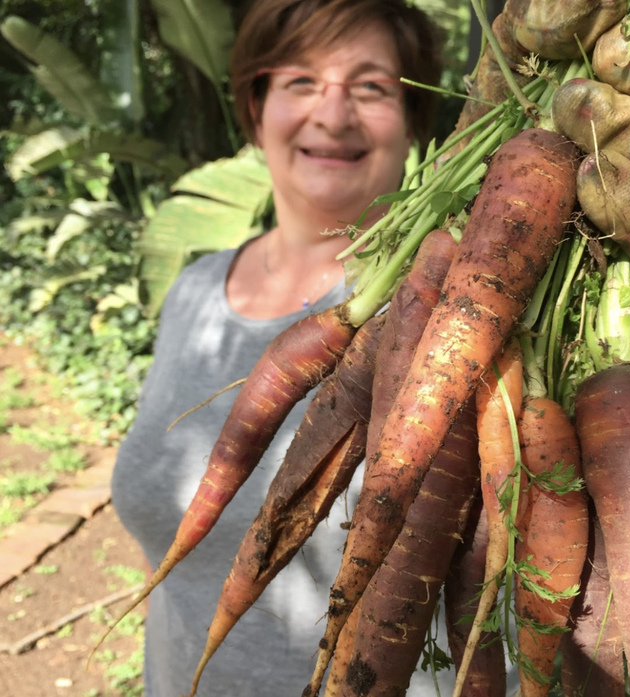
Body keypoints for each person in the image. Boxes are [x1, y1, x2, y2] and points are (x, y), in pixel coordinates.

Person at [110, 1, 449, 696]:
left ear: (414, 120)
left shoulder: (446, 316)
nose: (333, 114)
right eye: (300, 81)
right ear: (256, 106)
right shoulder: (194, 291)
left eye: (371, 86)